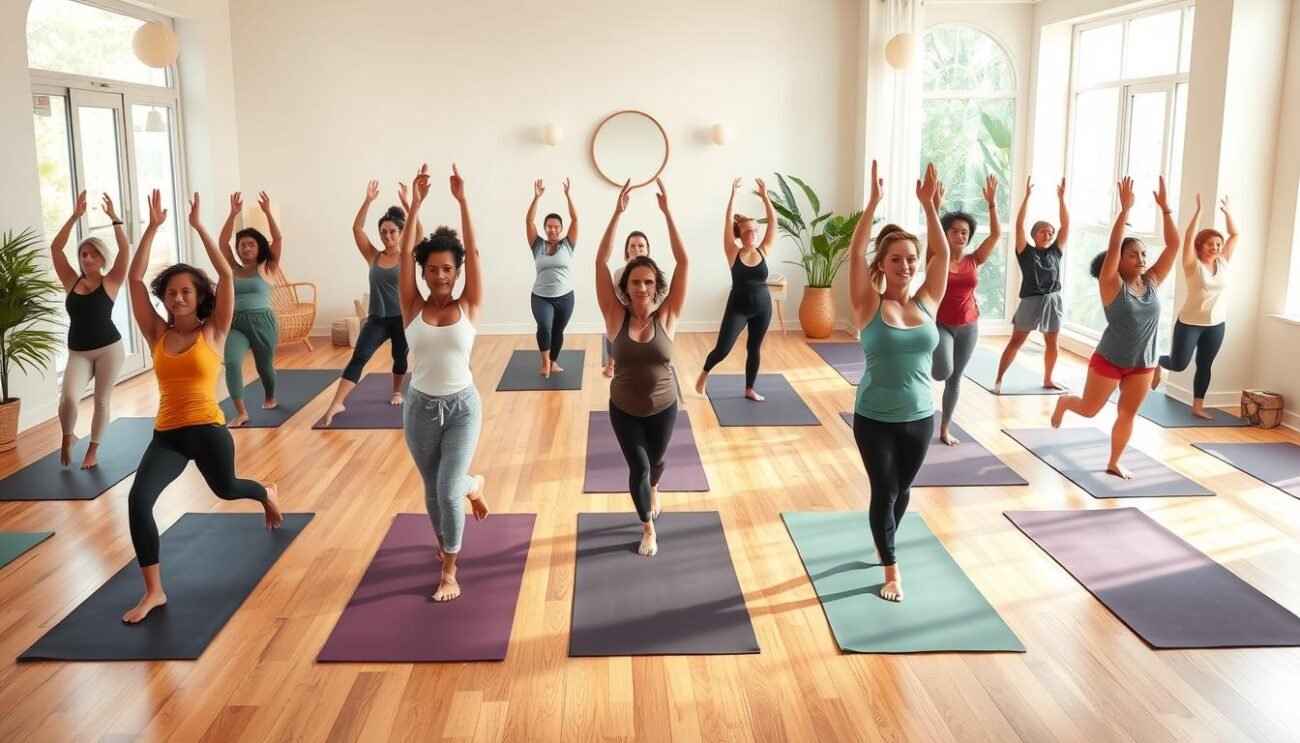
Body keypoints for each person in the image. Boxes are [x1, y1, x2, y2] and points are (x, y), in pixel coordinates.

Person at [122, 190, 281, 624]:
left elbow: (226, 275)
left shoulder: (214, 330)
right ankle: (154, 591)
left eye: (186, 291)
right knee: (138, 501)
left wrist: (199, 227)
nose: (178, 298)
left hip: (209, 431)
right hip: (167, 437)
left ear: (197, 296)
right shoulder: (157, 333)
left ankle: (265, 493)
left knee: (226, 489)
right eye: (171, 292)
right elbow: (134, 281)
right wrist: (152, 229)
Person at [846, 161, 948, 602]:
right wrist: (872, 204)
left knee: (901, 491)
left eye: (910, 258)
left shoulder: (927, 302)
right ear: (882, 266)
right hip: (874, 416)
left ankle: (883, 537)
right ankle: (891, 569)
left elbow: (942, 256)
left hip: (921, 415)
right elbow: (855, 255)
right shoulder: (868, 304)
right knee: (885, 490)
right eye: (896, 259)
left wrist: (929, 207)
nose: (905, 265)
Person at [1051, 176, 1181, 478]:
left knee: (1127, 414)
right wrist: (1125, 211)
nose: (1141, 259)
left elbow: (1174, 245)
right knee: (1089, 410)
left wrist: (1165, 209)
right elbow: (1112, 248)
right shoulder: (1111, 284)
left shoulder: (1152, 282)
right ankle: (1065, 402)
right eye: (1132, 254)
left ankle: (1113, 461)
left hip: (1143, 363)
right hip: (1110, 359)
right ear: (1119, 261)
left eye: (1143, 254)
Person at [399, 164, 488, 602]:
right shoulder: (411, 305)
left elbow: (474, 251)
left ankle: (450, 571)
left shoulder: (469, 304)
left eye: (447, 269)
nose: (440, 276)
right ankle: (464, 504)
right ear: (423, 272)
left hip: (462, 408)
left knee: (448, 490)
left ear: (457, 271)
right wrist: (414, 205)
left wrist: (462, 201)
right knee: (434, 491)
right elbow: (404, 255)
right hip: (419, 409)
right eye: (432, 269)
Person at [594, 178, 689, 557]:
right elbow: (600, 262)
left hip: (665, 406)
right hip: (624, 408)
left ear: (656, 284)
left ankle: (654, 488)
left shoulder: (669, 314)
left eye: (649, 282)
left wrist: (668, 213)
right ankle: (647, 527)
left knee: (657, 461)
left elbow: (684, 262)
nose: (642, 288)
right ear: (626, 285)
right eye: (635, 282)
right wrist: (616, 214)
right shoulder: (614, 314)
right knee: (639, 466)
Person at [318, 181, 416, 426]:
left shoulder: (409, 255)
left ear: (402, 232)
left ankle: (396, 391)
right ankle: (337, 403)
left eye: (392, 231)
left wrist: (408, 204)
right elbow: (357, 228)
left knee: (399, 356)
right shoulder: (373, 256)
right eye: (383, 232)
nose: (387, 236)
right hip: (377, 318)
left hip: (402, 318)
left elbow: (419, 231)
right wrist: (368, 200)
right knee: (359, 356)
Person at [50, 191, 128, 469]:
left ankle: (92, 451)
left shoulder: (111, 281)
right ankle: (68, 435)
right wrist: (74, 216)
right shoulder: (70, 280)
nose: (88, 258)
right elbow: (56, 249)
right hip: (79, 353)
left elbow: (125, 252)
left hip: (109, 349)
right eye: (84, 254)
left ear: (102, 259)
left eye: (94, 254)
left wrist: (114, 218)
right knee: (69, 399)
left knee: (101, 400)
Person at [1154, 194, 1239, 418]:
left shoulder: (1223, 261)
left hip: (1216, 324)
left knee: (1205, 365)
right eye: (1211, 244)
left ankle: (1198, 406)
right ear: (1200, 246)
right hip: (1190, 323)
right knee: (1178, 364)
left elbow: (1235, 234)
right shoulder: (1192, 264)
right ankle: (1156, 362)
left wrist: (1227, 213)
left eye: (1218, 244)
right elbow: (1189, 237)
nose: (1216, 247)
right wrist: (1199, 211)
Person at [931, 175, 1001, 445]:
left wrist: (992, 204)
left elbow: (995, 235)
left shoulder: (975, 259)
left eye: (965, 232)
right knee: (941, 372)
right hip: (942, 324)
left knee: (955, 378)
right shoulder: (937, 257)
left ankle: (945, 428)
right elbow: (933, 232)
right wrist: (934, 206)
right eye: (955, 231)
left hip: (969, 326)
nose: (960, 235)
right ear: (945, 234)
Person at [694, 178, 777, 401]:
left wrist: (765, 198)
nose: (753, 235)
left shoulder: (763, 250)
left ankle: (750, 388)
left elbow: (773, 222)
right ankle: (704, 372)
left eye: (755, 231)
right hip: (738, 309)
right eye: (747, 231)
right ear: (740, 235)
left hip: (763, 308)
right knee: (723, 349)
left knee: (754, 348)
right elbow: (727, 221)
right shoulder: (733, 252)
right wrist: (732, 196)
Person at [993, 177, 1069, 393]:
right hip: (1030, 300)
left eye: (1051, 233)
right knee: (1016, 341)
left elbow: (1066, 225)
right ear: (1034, 234)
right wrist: (1026, 197)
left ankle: (1048, 379)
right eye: (1043, 231)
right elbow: (1019, 226)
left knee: (1052, 342)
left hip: (1053, 300)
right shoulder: (1025, 252)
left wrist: (1061, 199)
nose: (1048, 235)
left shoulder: (1056, 252)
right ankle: (998, 380)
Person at [218, 191, 282, 427]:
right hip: (235, 323)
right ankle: (242, 412)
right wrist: (233, 214)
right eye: (242, 245)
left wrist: (267, 213)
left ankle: (270, 396)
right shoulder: (232, 269)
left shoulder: (267, 267)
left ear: (259, 247)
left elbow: (278, 239)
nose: (245, 248)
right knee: (232, 362)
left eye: (250, 244)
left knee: (264, 367)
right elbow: (222, 243)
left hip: (262, 322)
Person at [525, 178, 579, 377]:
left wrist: (568, 196)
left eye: (556, 227)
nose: (553, 229)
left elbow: (575, 220)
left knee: (558, 331)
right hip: (541, 297)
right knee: (545, 327)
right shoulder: (537, 244)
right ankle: (545, 362)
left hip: (565, 297)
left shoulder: (568, 244)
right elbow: (529, 221)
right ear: (545, 228)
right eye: (549, 226)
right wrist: (536, 197)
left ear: (561, 228)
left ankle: (553, 361)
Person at [601, 231, 652, 378]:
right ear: (627, 250)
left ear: (647, 250)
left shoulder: (654, 273)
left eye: (641, 246)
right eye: (633, 246)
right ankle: (611, 364)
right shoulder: (619, 273)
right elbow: (615, 298)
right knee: (611, 325)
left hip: (647, 314)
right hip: (625, 312)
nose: (637, 250)